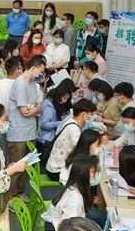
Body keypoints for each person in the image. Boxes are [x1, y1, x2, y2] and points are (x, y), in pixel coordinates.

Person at [43, 155, 100, 231]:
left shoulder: (73, 186)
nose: (93, 176)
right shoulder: (75, 199)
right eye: (91, 173)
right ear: (82, 174)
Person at [7, 56, 46, 195]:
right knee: (16, 168)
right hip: (18, 133)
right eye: (41, 71)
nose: (42, 75)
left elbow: (38, 107)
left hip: (30, 132)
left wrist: (35, 109)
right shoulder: (20, 84)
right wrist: (35, 109)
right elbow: (24, 111)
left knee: (26, 167)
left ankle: (20, 193)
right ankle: (11, 197)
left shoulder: (33, 85)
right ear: (33, 68)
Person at [46, 99, 98, 180]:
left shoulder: (71, 120)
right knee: (89, 175)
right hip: (57, 170)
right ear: (84, 114)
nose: (92, 117)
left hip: (55, 164)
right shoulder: (73, 128)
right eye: (91, 114)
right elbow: (81, 150)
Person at [37, 83, 71, 153]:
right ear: (59, 96)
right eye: (64, 98)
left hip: (46, 138)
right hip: (44, 140)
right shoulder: (49, 107)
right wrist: (60, 123)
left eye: (67, 99)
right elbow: (44, 124)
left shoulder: (51, 103)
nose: (65, 101)